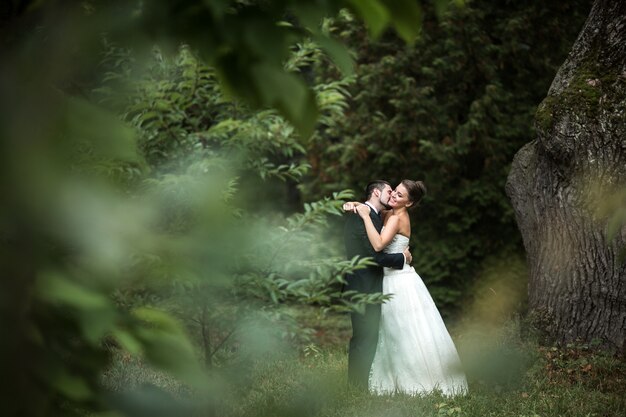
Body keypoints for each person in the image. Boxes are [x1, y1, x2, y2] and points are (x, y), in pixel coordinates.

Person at [344, 179, 468, 396]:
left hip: (399, 281)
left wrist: (363, 214)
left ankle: (419, 380)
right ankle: (386, 378)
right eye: (394, 192)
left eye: (399, 195)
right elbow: (371, 208)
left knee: (406, 330)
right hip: (388, 278)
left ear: (409, 203)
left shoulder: (397, 217)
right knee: (391, 331)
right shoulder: (387, 213)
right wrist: (356, 204)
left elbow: (379, 246)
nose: (393, 196)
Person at [343, 180, 412, 391]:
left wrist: (353, 203)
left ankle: (360, 385)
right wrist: (402, 258)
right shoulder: (361, 217)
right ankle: (356, 388)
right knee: (364, 339)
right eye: (389, 191)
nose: (391, 195)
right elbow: (374, 256)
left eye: (396, 193)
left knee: (368, 337)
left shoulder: (375, 215)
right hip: (362, 288)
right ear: (376, 192)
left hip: (370, 286)